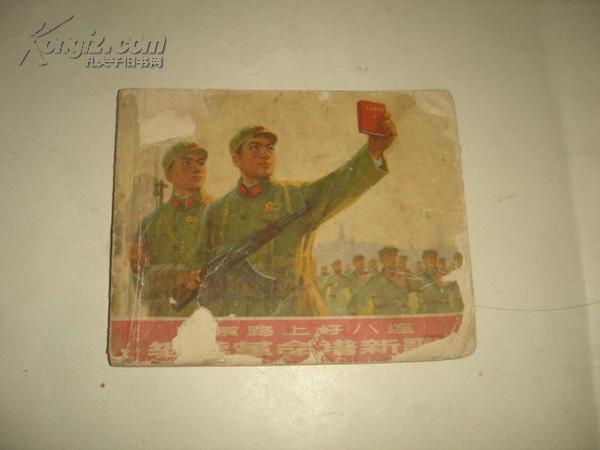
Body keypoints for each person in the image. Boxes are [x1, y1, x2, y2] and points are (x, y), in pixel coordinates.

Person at [183, 116, 396, 317]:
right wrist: (193, 277)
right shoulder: (217, 210)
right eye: (254, 147)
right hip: (237, 316)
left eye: (270, 148)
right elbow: (199, 263)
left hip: (294, 313)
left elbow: (339, 185)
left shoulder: (296, 197)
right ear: (235, 158)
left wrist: (373, 152)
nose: (265, 154)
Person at [129, 141, 212, 316]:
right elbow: (139, 283)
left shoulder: (218, 213)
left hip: (206, 317)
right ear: (169, 174)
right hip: (161, 316)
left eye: (200, 163)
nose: (197, 168)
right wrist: (178, 277)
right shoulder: (150, 223)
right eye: (186, 163)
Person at [347, 246, 409, 315]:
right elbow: (356, 301)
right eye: (389, 256)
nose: (393, 258)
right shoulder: (375, 280)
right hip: (383, 317)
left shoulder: (405, 277)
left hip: (404, 318)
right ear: (382, 260)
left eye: (395, 255)